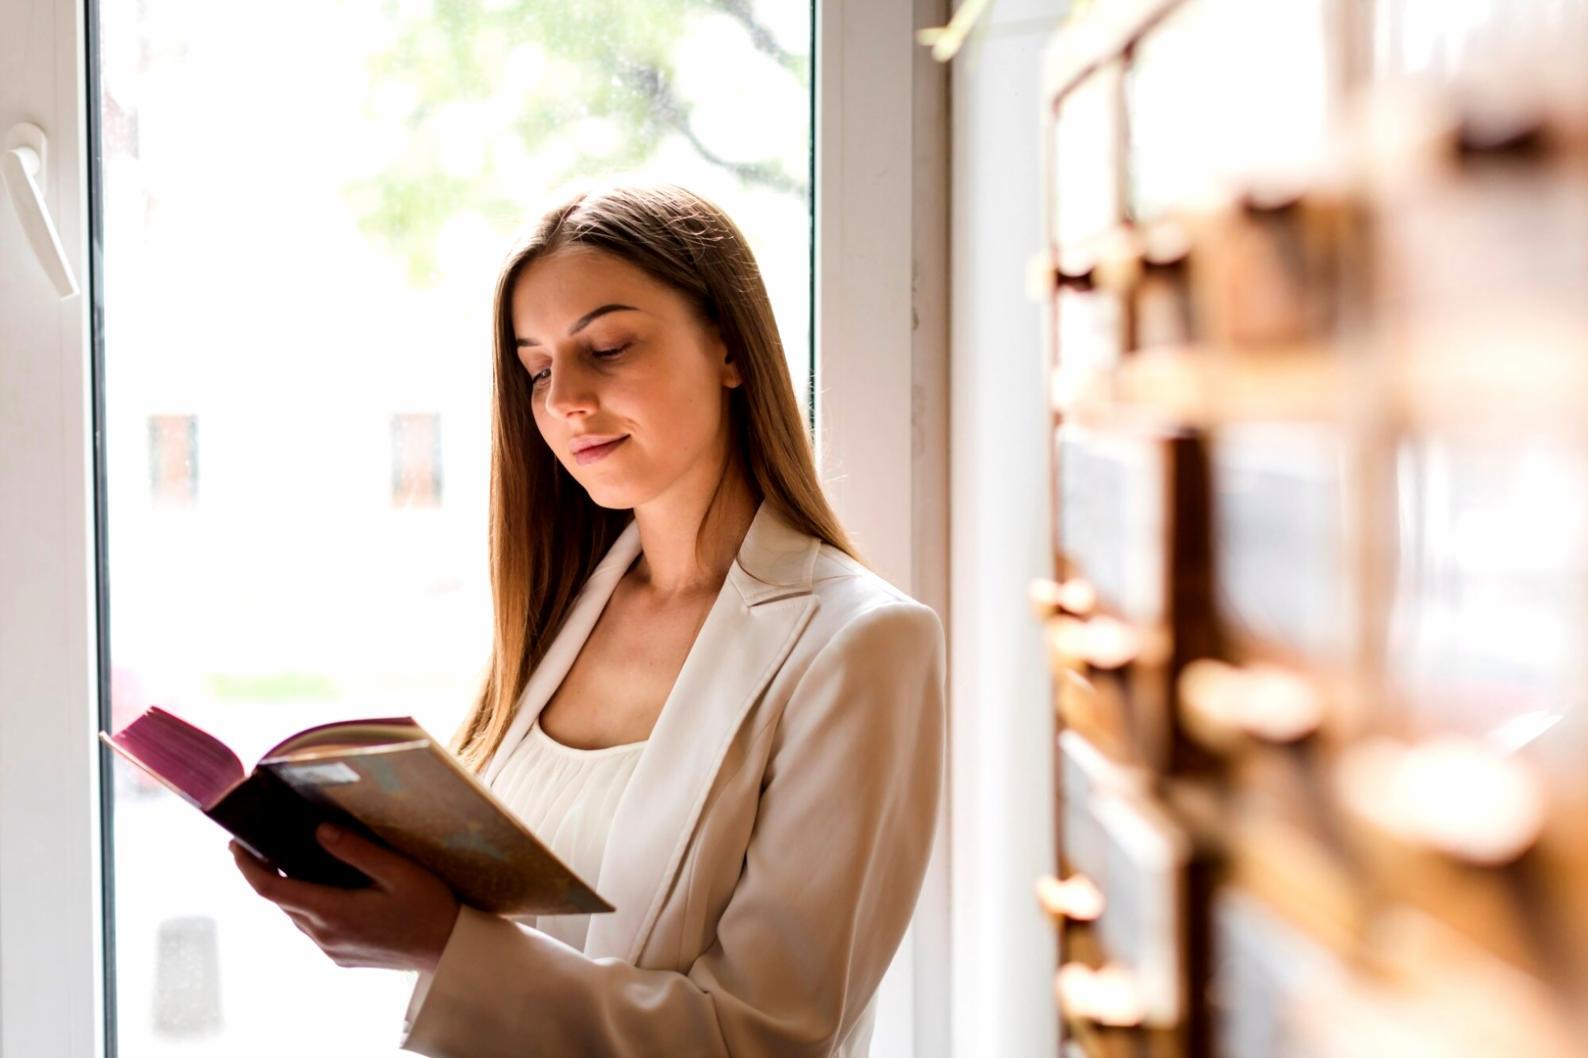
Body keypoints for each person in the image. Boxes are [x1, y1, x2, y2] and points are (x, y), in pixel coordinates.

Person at [230, 181, 946, 1057]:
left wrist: (443, 948)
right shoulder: (559, 614)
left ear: (729, 347)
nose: (563, 398)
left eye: (606, 347)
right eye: (536, 369)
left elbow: (768, 1039)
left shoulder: (860, 645)